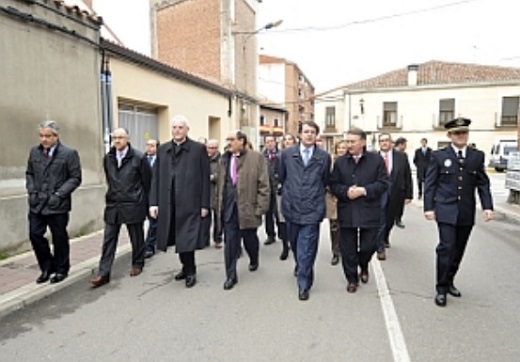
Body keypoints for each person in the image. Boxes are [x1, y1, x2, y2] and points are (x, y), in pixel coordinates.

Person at [424, 117, 494, 307]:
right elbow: (430, 184)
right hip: (445, 210)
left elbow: (482, 183)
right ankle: (440, 288)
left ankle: (449, 281)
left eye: (464, 132)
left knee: (459, 250)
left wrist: (487, 206)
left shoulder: (476, 156)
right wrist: (428, 208)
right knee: (446, 247)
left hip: (465, 211)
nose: (461, 136)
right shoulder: (439, 156)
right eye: (457, 133)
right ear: (449, 135)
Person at [149, 115, 210, 288]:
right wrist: (153, 203)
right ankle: (185, 266)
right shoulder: (163, 150)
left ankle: (191, 270)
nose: (177, 130)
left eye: (180, 127)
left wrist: (204, 204)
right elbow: (156, 178)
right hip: (168, 202)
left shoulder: (198, 149)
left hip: (190, 202)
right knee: (176, 237)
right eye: (174, 127)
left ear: (187, 130)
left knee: (187, 238)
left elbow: (205, 178)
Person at [330, 128, 389, 293]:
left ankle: (363, 265)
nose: (349, 145)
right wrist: (345, 191)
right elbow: (333, 184)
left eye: (352, 141)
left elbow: (383, 183)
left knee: (367, 247)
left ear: (362, 142)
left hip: (369, 210)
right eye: (347, 141)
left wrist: (364, 190)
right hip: (347, 210)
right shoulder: (340, 162)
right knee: (348, 249)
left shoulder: (376, 160)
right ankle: (352, 279)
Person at [90, 128, 152, 288]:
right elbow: (110, 179)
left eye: (120, 137)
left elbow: (147, 182)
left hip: (133, 203)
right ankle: (103, 273)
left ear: (127, 139)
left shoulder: (139, 157)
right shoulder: (108, 158)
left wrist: (145, 203)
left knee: (136, 237)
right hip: (113, 204)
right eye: (114, 138)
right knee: (109, 240)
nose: (117, 141)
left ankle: (138, 263)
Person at [279, 121, 331, 301]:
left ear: (316, 135)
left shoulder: (323, 157)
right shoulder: (287, 154)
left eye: (312, 132)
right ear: (300, 134)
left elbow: (324, 180)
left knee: (307, 248)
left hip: (312, 208)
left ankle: (304, 284)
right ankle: (300, 265)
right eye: (306, 132)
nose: (309, 135)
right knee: (294, 244)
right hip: (292, 207)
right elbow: (282, 176)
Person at [26, 120, 82, 284]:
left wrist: (59, 194)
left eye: (47, 136)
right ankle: (46, 267)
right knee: (35, 234)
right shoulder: (34, 152)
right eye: (41, 136)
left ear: (56, 136)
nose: (44, 139)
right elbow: (29, 173)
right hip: (37, 202)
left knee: (59, 237)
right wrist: (31, 190)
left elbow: (75, 178)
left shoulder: (69, 153)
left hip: (57, 204)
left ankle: (61, 269)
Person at [215, 130, 270, 290]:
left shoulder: (256, 158)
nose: (228, 143)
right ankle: (231, 275)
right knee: (230, 242)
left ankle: (254, 258)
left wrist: (260, 208)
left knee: (249, 239)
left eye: (232, 139)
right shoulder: (223, 159)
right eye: (227, 139)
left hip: (248, 208)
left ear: (242, 141)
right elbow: (220, 184)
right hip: (229, 209)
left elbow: (264, 185)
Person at [376, 133, 412, 260]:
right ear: (379, 143)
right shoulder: (373, 157)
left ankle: (385, 237)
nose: (384, 143)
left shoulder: (401, 157)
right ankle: (380, 247)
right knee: (380, 219)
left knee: (390, 218)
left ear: (391, 142)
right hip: (379, 193)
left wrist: (409, 194)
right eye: (382, 141)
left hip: (396, 192)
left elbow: (407, 175)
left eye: (387, 140)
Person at [326, 140, 348, 266]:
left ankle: (345, 249)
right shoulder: (330, 163)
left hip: (346, 197)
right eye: (339, 148)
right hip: (332, 197)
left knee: (346, 225)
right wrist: (333, 193)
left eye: (344, 148)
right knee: (334, 226)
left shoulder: (351, 162)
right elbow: (326, 179)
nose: (341, 150)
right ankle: (335, 252)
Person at [276, 133, 297, 260]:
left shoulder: (298, 155)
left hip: (297, 193)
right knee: (282, 220)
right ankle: (285, 246)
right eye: (286, 140)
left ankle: (293, 243)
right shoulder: (279, 156)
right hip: (282, 191)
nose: (288, 142)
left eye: (290, 139)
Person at [205, 139, 223, 249]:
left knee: (218, 218)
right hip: (206, 192)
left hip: (217, 192)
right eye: (209, 148)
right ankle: (204, 239)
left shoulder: (221, 160)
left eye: (213, 148)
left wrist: (214, 177)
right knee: (205, 218)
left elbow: (223, 174)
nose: (211, 150)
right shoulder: (203, 159)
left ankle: (217, 238)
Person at [262, 135, 280, 246]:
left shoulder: (281, 154)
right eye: (267, 141)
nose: (270, 143)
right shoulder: (261, 156)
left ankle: (283, 234)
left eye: (271, 141)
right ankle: (270, 235)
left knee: (279, 213)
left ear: (275, 142)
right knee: (268, 214)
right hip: (266, 188)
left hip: (277, 187)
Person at [144, 139, 159, 259]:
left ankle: (149, 246)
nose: (149, 148)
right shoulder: (142, 159)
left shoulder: (161, 161)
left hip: (155, 196)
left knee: (154, 222)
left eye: (152, 146)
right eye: (147, 145)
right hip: (142, 196)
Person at [393, 137, 408, 228]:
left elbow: (407, 173)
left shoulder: (403, 155)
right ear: (400, 144)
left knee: (400, 204)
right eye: (404, 144)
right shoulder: (390, 155)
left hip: (400, 186)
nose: (405, 146)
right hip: (391, 185)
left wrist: (408, 192)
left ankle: (398, 219)